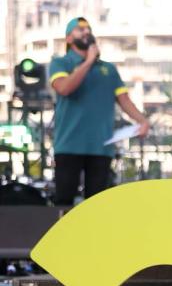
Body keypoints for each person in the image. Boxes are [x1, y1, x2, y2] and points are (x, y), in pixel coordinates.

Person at [48, 17, 149, 205]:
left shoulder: (108, 69)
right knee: (64, 202)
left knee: (97, 204)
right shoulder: (60, 63)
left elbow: (124, 99)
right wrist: (87, 63)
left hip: (101, 146)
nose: (86, 32)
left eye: (88, 29)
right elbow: (64, 88)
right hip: (69, 144)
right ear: (69, 39)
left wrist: (142, 121)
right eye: (80, 29)